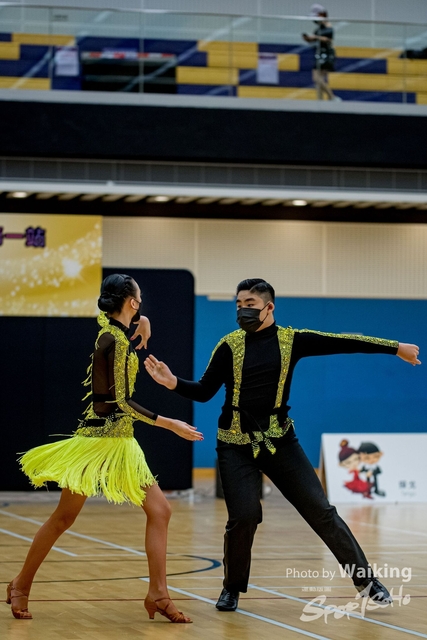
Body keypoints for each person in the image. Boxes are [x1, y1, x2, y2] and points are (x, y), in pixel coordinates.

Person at [142, 278, 421, 612]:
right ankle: (232, 587)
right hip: (235, 446)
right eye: (238, 305)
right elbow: (204, 391)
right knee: (244, 517)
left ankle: (366, 580)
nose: (242, 311)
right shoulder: (229, 345)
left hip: (280, 443)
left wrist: (396, 347)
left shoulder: (292, 340)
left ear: (269, 307)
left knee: (321, 511)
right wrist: (173, 383)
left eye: (249, 304)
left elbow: (344, 341)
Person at [6, 273, 203, 623]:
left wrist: (143, 321)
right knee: (64, 517)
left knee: (160, 511)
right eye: (139, 300)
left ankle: (158, 593)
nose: (141, 305)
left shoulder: (113, 332)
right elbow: (120, 403)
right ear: (132, 301)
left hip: (122, 443)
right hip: (98, 443)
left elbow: (117, 320)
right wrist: (170, 423)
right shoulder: (113, 341)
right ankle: (21, 583)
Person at [302, 4, 340, 101]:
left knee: (317, 78)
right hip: (319, 53)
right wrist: (309, 39)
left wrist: (315, 37)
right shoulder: (318, 29)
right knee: (318, 81)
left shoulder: (328, 26)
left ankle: (332, 97)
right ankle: (320, 100)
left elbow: (328, 39)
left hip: (326, 54)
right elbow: (316, 40)